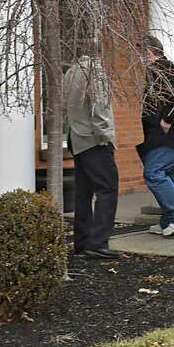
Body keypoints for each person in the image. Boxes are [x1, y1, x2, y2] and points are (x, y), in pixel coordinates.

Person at [137, 36, 174, 237]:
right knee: (170, 174)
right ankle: (169, 221)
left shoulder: (162, 68)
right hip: (170, 137)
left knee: (153, 173)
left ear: (149, 51)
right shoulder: (160, 69)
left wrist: (167, 120)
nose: (140, 58)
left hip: (166, 136)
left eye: (141, 53)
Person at [63, 53, 120, 259]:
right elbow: (100, 107)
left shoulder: (70, 71)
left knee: (83, 192)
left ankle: (83, 242)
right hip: (94, 139)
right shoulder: (94, 71)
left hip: (76, 137)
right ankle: (97, 243)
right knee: (108, 188)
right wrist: (106, 136)